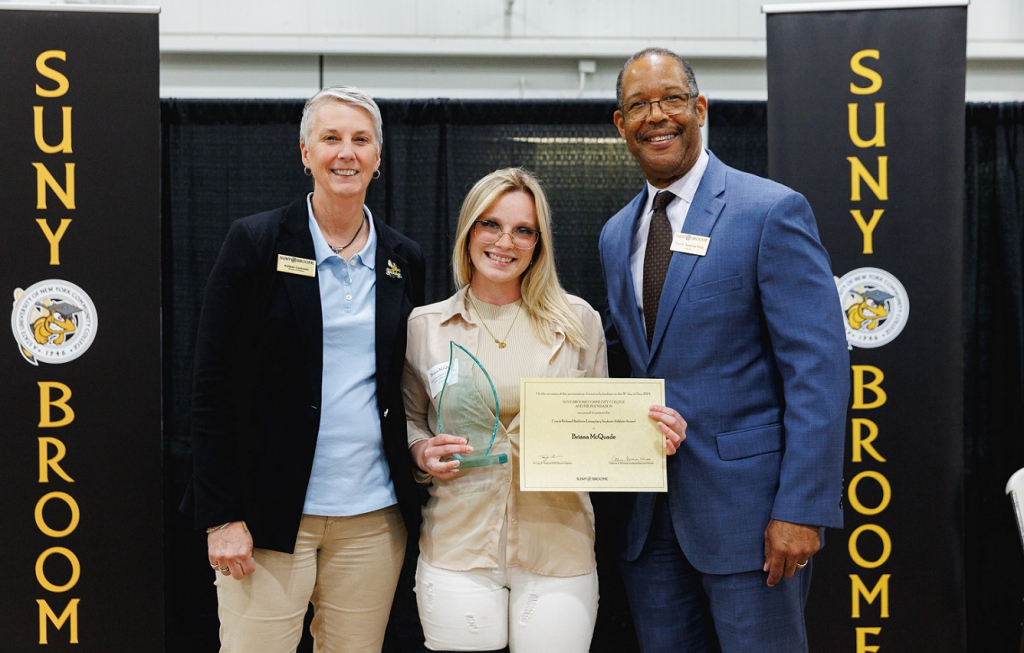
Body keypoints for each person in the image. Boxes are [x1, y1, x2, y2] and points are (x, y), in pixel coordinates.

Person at [598, 48, 850, 652]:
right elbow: (625, 361)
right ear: (620, 124)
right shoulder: (615, 235)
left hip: (755, 520)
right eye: (639, 105)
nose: (656, 116)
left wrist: (802, 508)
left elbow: (818, 369)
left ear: (700, 108)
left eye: (672, 100)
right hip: (649, 525)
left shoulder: (770, 211)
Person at [182, 85, 426, 652]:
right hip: (266, 520)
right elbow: (210, 388)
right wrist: (221, 516)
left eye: (361, 139)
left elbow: (406, 380)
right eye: (331, 138)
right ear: (304, 152)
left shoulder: (402, 258)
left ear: (379, 158)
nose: (347, 152)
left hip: (372, 516)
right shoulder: (256, 241)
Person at [402, 167, 686, 653]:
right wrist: (421, 450)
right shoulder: (425, 326)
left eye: (523, 230)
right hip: (456, 548)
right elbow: (410, 419)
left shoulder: (578, 322)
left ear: (538, 243)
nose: (504, 242)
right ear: (468, 231)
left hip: (560, 550)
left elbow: (601, 426)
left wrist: (649, 436)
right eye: (490, 224)